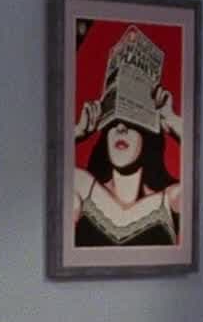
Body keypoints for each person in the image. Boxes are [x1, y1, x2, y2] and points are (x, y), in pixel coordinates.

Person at [70, 25, 183, 246]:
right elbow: (31, 176)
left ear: (148, 131)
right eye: (113, 122)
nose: (121, 128)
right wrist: (76, 133)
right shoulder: (81, 187)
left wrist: (173, 122)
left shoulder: (170, 201)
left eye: (132, 121)